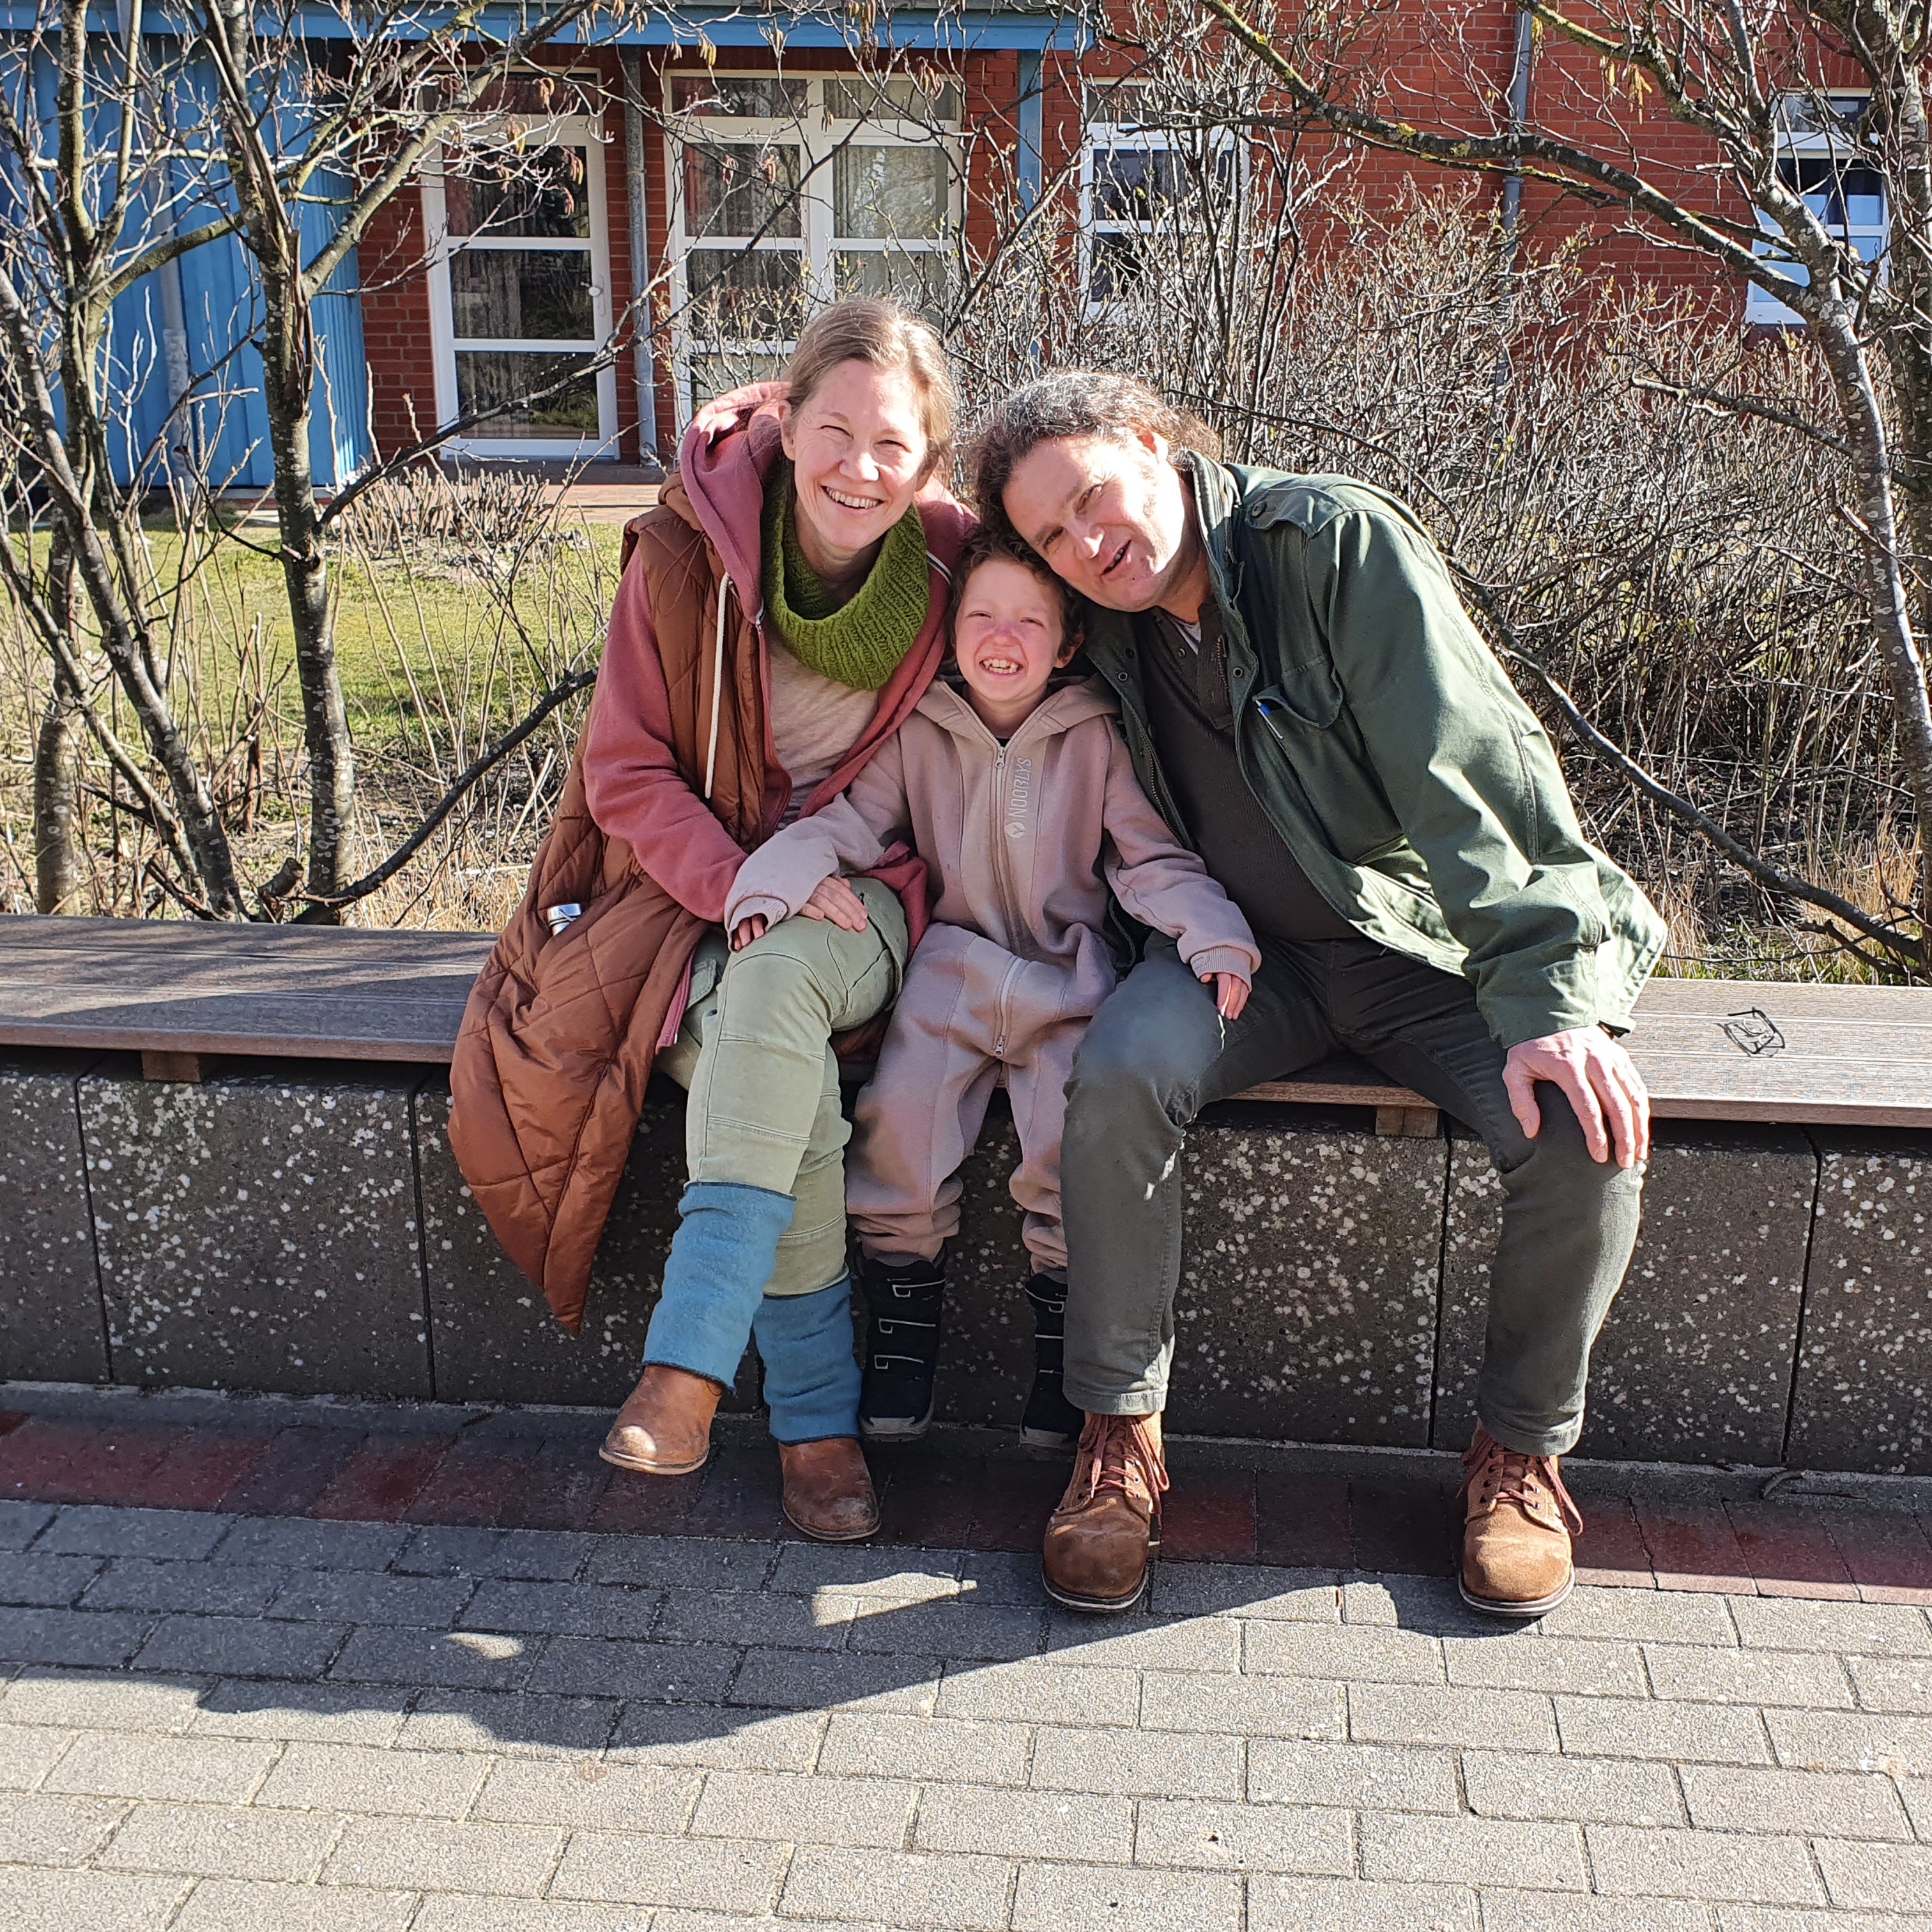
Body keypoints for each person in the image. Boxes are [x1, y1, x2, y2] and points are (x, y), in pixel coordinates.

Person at [969, 373, 1665, 1618]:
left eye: (1093, 499)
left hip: (1427, 951)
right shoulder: (1107, 618)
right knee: (1119, 1073)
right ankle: (1119, 1442)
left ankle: (1519, 1456)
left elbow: (1475, 773)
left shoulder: (1328, 544)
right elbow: (890, 545)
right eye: (1055, 537)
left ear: (1150, 441)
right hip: (1244, 960)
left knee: (1583, 1132)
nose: (1090, 546)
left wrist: (1545, 993)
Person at [452, 300, 970, 1545]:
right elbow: (624, 773)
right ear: (787, 425)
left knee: (786, 984)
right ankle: (816, 1429)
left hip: (869, 893)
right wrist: (744, 881)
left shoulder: (955, 567)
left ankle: (684, 1371)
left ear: (929, 459)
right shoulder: (686, 555)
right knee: (774, 1070)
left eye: (892, 445)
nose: (860, 468)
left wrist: (801, 878)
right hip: (687, 903)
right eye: (835, 431)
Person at [722, 530, 1259, 1450]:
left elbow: (1147, 856)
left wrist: (1212, 934)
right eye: (981, 616)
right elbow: (848, 821)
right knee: (901, 1131)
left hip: (1067, 982)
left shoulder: (1096, 737)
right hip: (951, 977)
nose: (1000, 638)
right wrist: (773, 879)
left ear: (1067, 643)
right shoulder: (923, 729)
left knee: (1065, 1149)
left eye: (1028, 621)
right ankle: (903, 1330)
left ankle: (1062, 1347)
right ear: (953, 630)